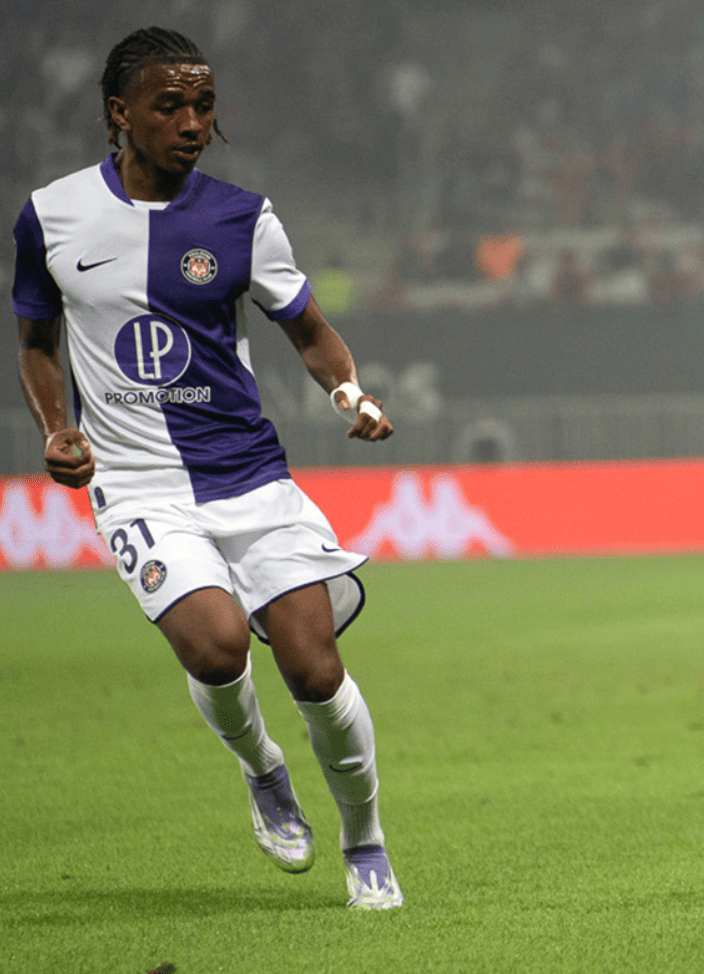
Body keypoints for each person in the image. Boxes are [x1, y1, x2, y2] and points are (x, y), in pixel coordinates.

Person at [13, 27, 404, 910]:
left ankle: (365, 836)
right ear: (120, 113)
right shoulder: (51, 214)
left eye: (204, 105)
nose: (193, 122)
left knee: (313, 668)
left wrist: (351, 396)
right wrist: (56, 428)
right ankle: (262, 768)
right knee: (219, 646)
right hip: (140, 483)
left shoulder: (244, 218)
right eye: (170, 104)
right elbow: (36, 342)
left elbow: (308, 329)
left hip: (251, 477)